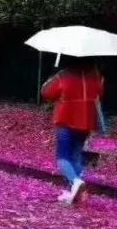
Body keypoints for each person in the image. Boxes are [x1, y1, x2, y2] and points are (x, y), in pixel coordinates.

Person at [41, 57, 105, 204]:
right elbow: (100, 94)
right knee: (76, 155)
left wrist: (52, 77)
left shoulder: (63, 75)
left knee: (63, 157)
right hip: (86, 122)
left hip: (65, 120)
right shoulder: (95, 75)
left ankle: (76, 182)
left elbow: (46, 93)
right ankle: (76, 192)